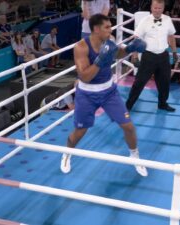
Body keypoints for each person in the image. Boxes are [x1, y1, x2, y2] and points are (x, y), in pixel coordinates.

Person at [60, 13, 148, 176]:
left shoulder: (109, 40)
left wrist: (130, 48)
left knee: (128, 127)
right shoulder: (81, 47)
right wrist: (101, 60)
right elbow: (84, 76)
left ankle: (135, 156)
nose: (110, 29)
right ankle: (67, 153)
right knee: (80, 131)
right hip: (87, 94)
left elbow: (116, 53)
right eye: (107, 27)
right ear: (96, 29)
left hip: (109, 92)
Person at [125, 0, 178, 112]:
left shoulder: (167, 20)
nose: (157, 10)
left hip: (163, 55)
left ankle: (162, 104)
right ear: (151, 7)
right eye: (155, 8)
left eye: (159, 8)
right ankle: (128, 106)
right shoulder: (145, 21)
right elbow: (136, 39)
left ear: (163, 8)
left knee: (164, 82)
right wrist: (134, 56)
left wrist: (174, 51)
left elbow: (171, 36)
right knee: (139, 82)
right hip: (148, 56)